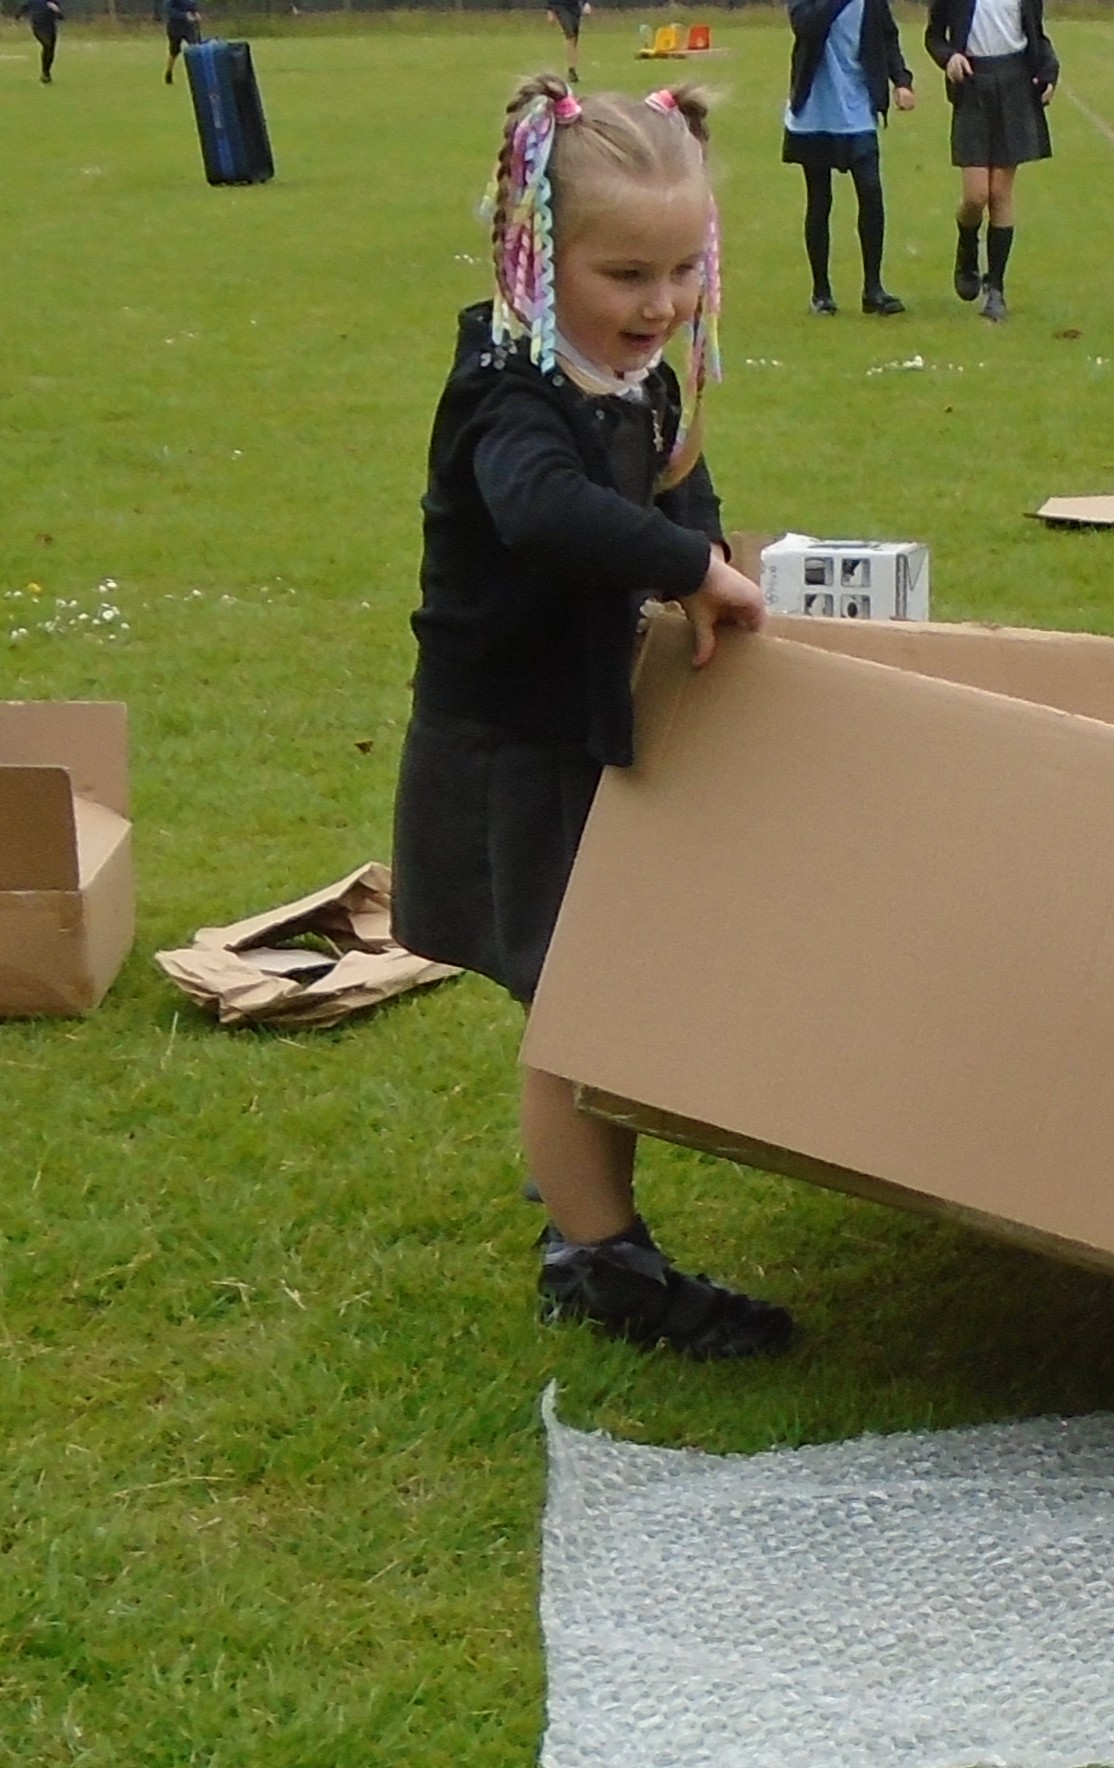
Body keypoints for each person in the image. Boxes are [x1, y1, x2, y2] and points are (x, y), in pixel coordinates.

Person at [392, 76, 793, 1364]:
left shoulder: (640, 379)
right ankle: (598, 1257)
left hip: (584, 730)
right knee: (575, 1005)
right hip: (510, 746)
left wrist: (707, 559)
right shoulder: (509, 393)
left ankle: (583, 1209)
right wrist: (685, 571)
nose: (662, 305)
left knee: (601, 989)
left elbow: (679, 488)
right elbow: (548, 513)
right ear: (535, 252)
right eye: (627, 273)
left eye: (685, 270)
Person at [925, 0, 1058, 325]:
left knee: (1000, 192)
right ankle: (967, 245)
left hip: (1015, 84)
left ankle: (995, 288)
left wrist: (1049, 71)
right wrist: (949, 57)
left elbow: (1036, 35)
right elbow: (934, 37)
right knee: (976, 196)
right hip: (972, 85)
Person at [784, 0, 915, 316]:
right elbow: (806, 26)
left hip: (857, 109)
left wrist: (902, 81)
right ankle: (821, 293)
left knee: (871, 192)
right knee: (819, 199)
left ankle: (873, 289)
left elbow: (887, 36)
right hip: (815, 111)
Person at [16, 0, 61, 85]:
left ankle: (46, 73)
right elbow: (24, 7)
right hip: (38, 27)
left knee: (50, 51)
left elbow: (61, 17)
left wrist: (56, 10)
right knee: (47, 45)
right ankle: (45, 73)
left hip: (51, 29)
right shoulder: (35, 1)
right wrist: (19, 15)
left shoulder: (53, 2)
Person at [547, 0, 587, 84]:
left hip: (574, 6)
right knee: (570, 36)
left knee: (574, 39)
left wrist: (586, 2)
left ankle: (572, 70)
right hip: (559, 6)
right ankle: (571, 70)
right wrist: (550, 9)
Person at [163, 0, 201, 85]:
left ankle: (197, 75)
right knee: (174, 51)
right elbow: (169, 10)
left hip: (189, 27)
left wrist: (195, 14)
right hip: (175, 28)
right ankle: (169, 72)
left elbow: (193, 6)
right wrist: (184, 15)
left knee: (195, 49)